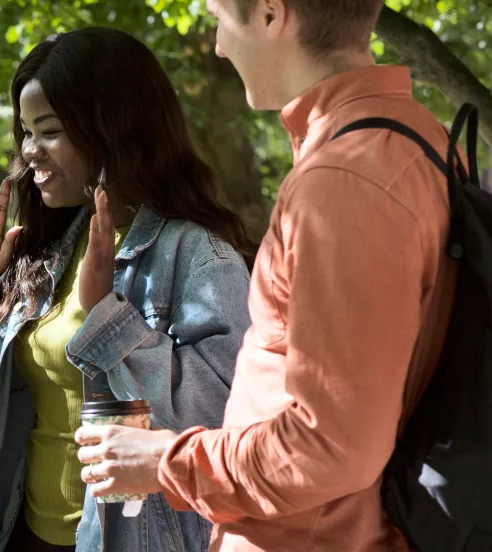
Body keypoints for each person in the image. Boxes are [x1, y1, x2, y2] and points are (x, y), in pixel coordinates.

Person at [74, 1, 457, 550]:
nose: (218, 47)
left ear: (272, 15)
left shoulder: (344, 181)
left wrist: (165, 461)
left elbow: (332, 446)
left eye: (219, 20)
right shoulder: (411, 136)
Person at [0, 27, 256, 552]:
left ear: (114, 128)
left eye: (50, 130)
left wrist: (108, 315)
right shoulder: (57, 243)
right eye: (25, 132)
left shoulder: (198, 255)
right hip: (22, 534)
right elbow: (10, 402)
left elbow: (224, 417)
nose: (29, 151)